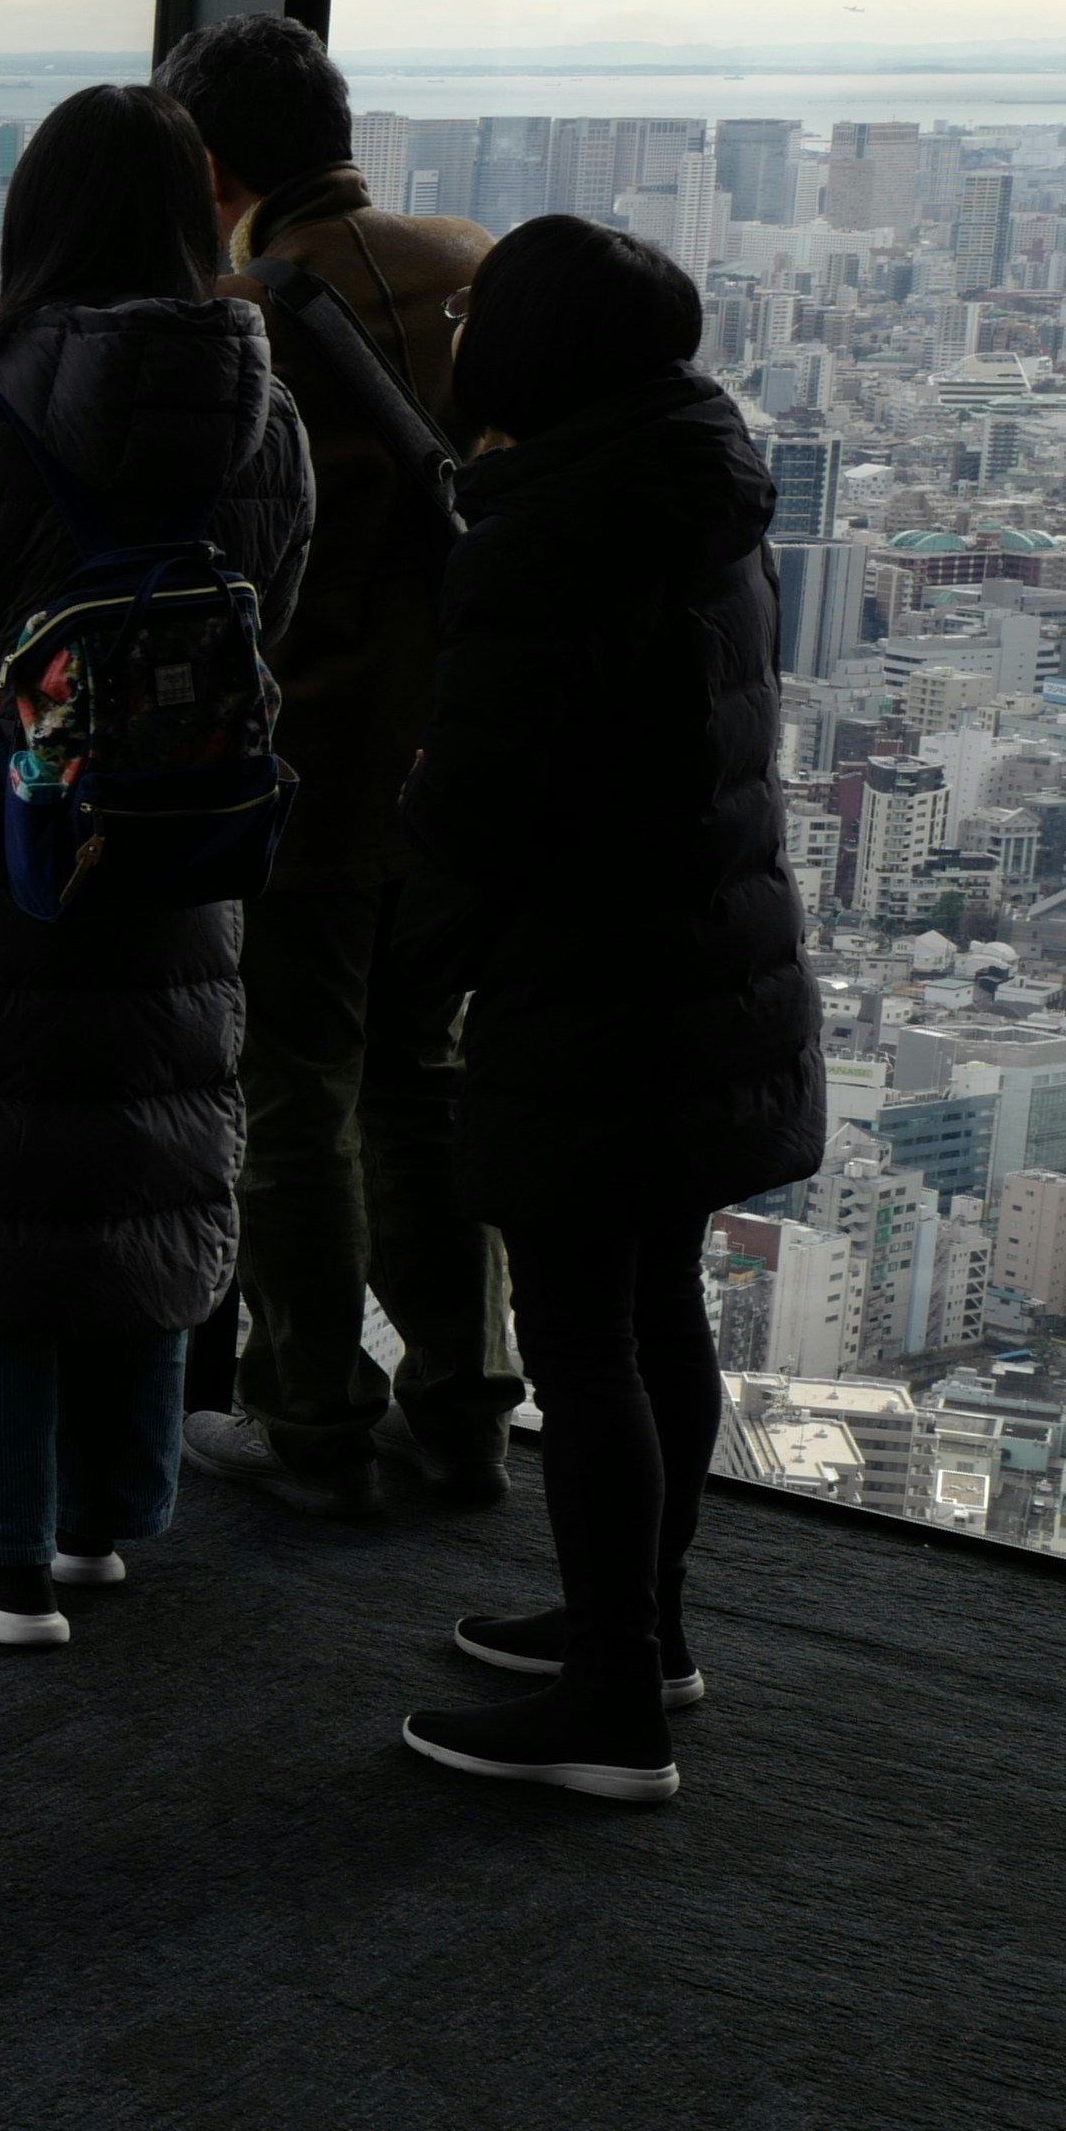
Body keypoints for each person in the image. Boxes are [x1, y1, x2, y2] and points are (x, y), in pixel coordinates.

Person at [0, 84, 314, 1647]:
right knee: (131, 1157)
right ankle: (106, 1517)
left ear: (32, 218)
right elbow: (269, 625)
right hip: (180, 847)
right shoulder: (267, 412)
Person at [391, 216, 820, 1802]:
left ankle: (612, 1701)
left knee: (583, 1337)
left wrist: (406, 944)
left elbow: (485, 802)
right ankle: (640, 1625)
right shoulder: (702, 497)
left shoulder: (551, 531)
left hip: (595, 985)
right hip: (709, 965)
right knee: (654, 1311)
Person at [156, 14, 513, 1518]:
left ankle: (308, 1414)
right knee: (420, 1081)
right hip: (467, 760)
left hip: (306, 765)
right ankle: (464, 1403)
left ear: (213, 163)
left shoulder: (236, 324)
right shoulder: (476, 268)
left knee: (293, 1094)